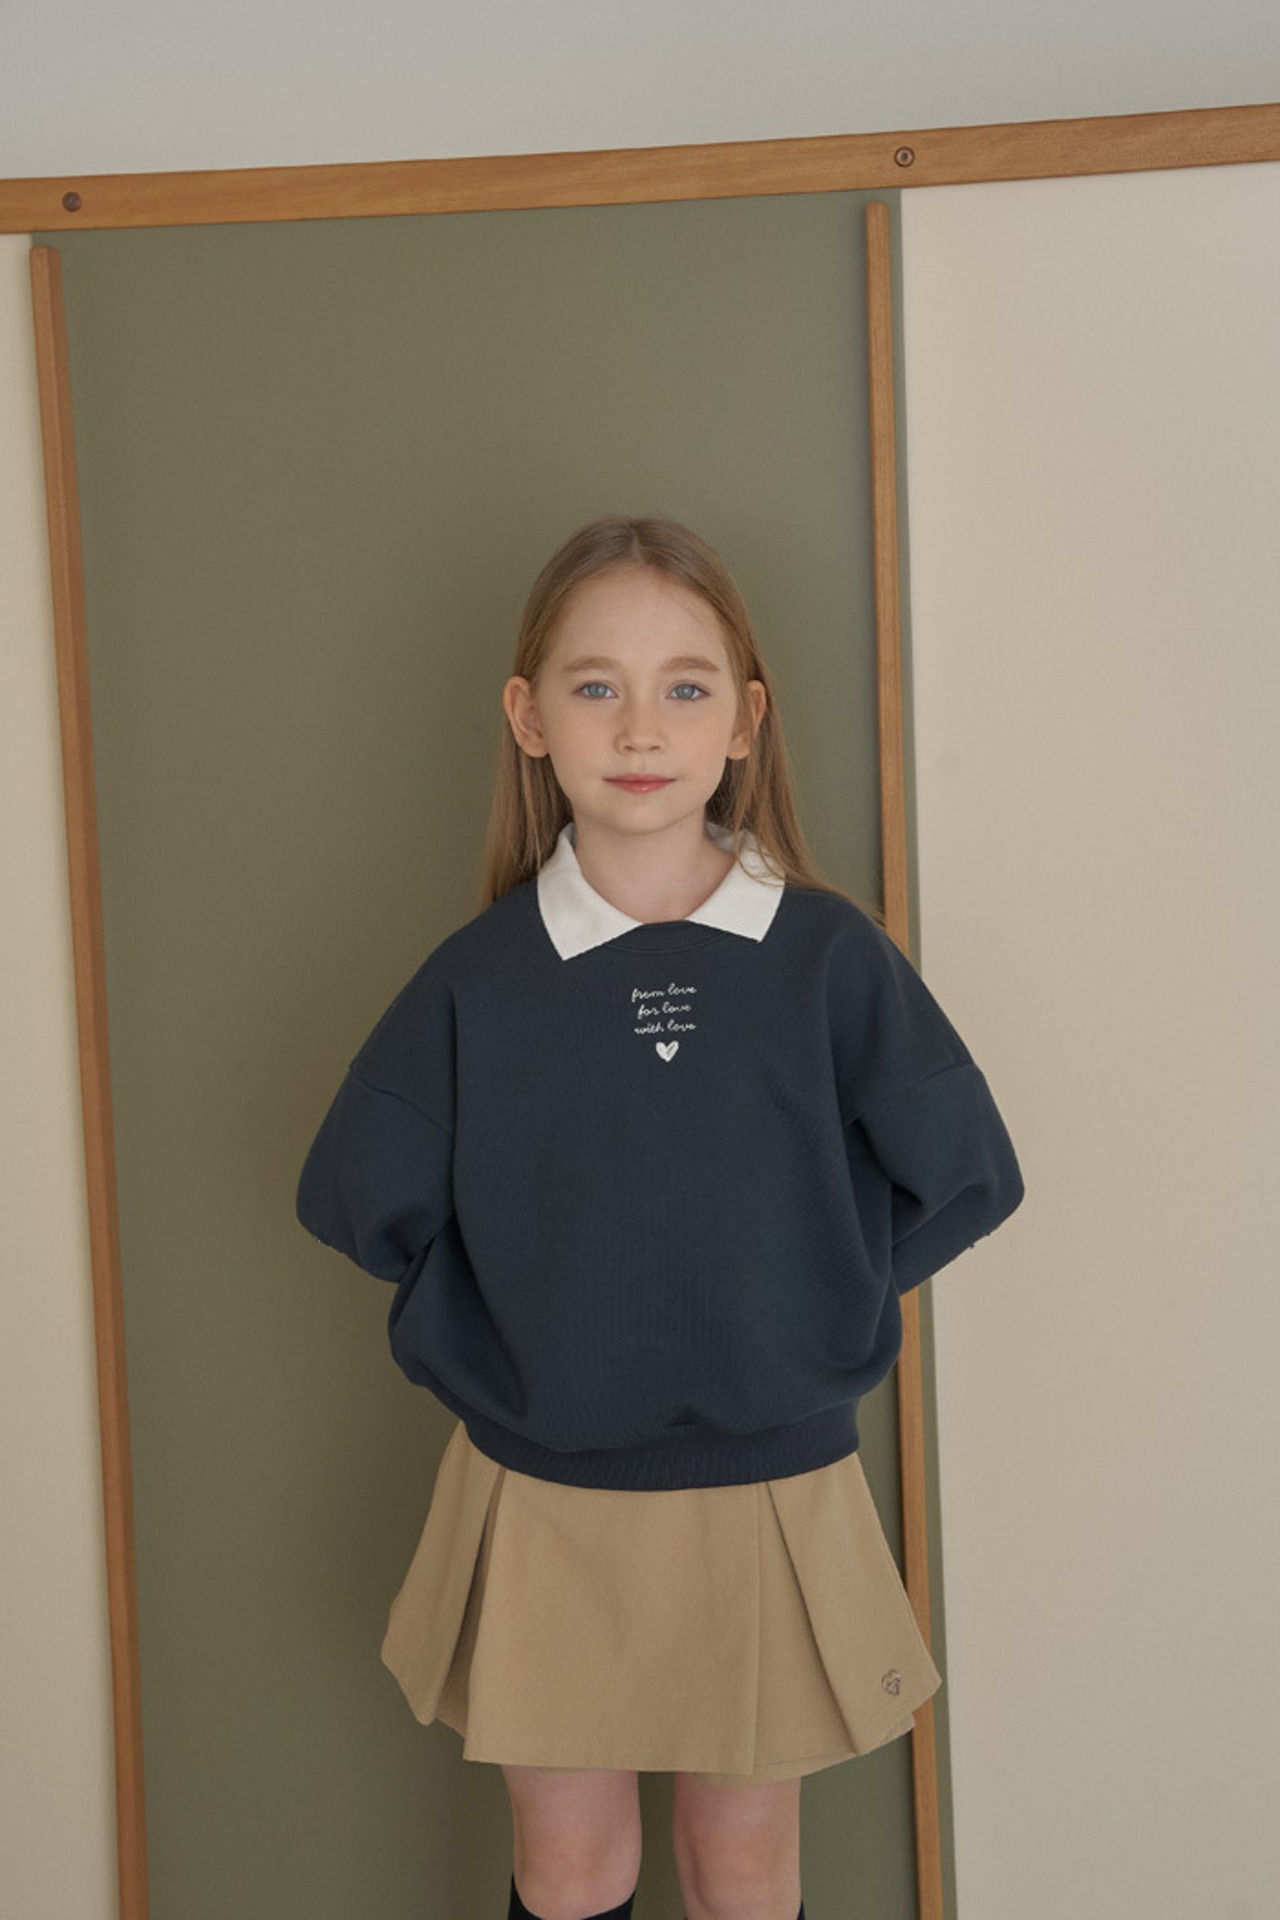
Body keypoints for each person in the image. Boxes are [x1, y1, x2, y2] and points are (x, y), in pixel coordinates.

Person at [296, 515, 1023, 1920]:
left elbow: (967, 1171)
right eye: (597, 686)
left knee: (742, 1871)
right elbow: (355, 1195)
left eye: (685, 686)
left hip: (770, 1491)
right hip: (545, 1492)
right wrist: (497, 1335)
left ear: (745, 720)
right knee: (571, 1868)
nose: (641, 727)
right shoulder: (481, 978)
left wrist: (818, 1296)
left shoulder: (828, 957)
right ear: (529, 718)